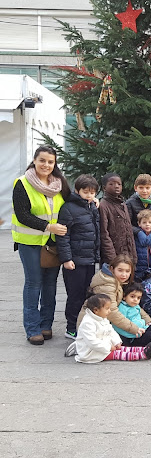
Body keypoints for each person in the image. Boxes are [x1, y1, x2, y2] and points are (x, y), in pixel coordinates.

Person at [12, 145, 70, 344]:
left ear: (55, 164)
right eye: (42, 160)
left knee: (50, 284)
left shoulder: (59, 183)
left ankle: (46, 325)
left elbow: (72, 201)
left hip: (52, 244)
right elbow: (22, 214)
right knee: (34, 282)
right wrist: (48, 227)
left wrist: (92, 200)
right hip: (30, 243)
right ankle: (32, 328)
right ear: (35, 160)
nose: (46, 165)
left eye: (50, 162)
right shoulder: (22, 183)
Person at [57, 174, 100, 339]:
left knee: (87, 294)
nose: (89, 195)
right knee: (75, 295)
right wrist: (66, 259)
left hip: (89, 259)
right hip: (75, 261)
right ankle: (71, 327)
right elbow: (63, 236)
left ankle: (83, 325)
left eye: (92, 192)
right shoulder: (68, 208)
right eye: (85, 192)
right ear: (77, 190)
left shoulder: (92, 206)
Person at [66, 294, 151, 363]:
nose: (109, 311)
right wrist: (108, 347)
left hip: (103, 347)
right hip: (92, 352)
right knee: (119, 354)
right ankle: (143, 354)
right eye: (107, 308)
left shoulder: (102, 318)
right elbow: (92, 342)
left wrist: (117, 342)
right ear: (96, 310)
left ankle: (145, 349)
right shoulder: (87, 323)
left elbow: (111, 331)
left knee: (122, 348)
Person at [76, 255, 147, 341]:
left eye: (127, 271)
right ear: (112, 269)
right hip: (92, 329)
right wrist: (134, 328)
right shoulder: (107, 285)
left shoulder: (118, 281)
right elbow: (112, 313)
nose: (124, 274)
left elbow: (133, 305)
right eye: (120, 270)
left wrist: (146, 319)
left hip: (103, 323)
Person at [113, 282, 151, 349]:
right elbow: (119, 327)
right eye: (132, 296)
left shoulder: (135, 306)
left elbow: (144, 315)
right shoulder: (122, 308)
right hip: (134, 337)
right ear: (124, 296)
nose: (135, 300)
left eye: (138, 298)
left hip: (143, 329)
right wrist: (134, 333)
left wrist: (147, 322)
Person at [98, 173, 136, 266]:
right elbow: (104, 234)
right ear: (104, 188)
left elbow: (129, 231)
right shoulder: (103, 205)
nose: (116, 186)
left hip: (127, 255)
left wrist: (133, 256)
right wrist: (112, 259)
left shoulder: (123, 204)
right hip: (113, 256)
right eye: (112, 184)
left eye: (119, 184)